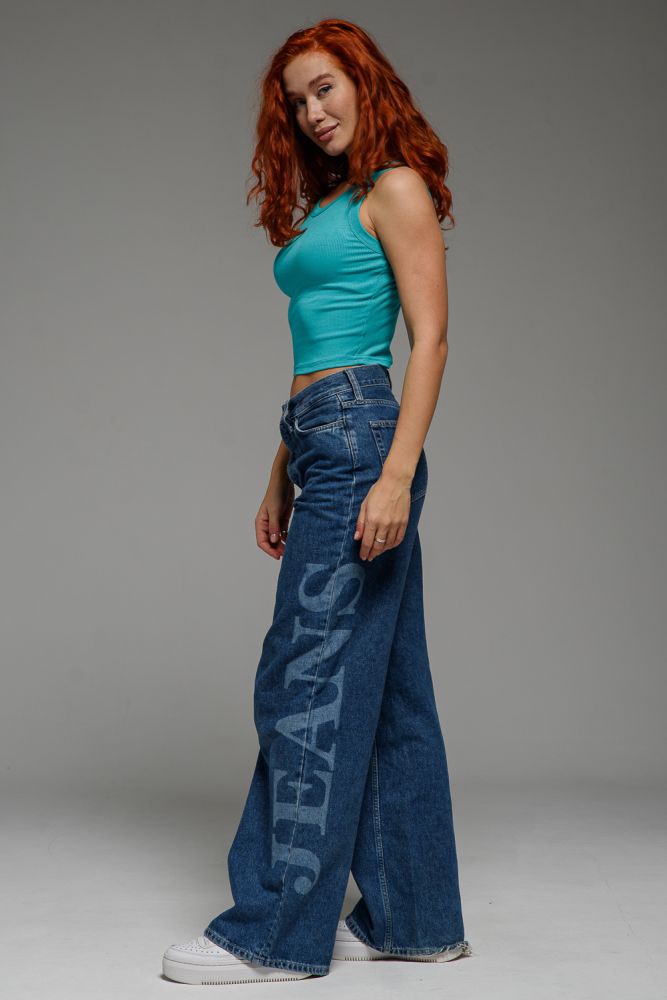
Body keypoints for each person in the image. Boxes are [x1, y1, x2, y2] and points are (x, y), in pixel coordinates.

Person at [162, 16, 472, 986]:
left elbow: (428, 339)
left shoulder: (394, 188)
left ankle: (273, 932)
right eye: (296, 100)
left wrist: (393, 474)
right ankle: (416, 919)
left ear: (365, 83)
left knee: (304, 683)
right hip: (322, 437)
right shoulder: (337, 199)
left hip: (363, 441)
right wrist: (280, 468)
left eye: (324, 87)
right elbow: (317, 352)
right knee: (387, 694)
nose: (311, 111)